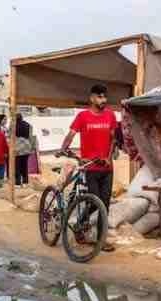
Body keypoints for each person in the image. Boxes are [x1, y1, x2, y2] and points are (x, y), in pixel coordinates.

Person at [60, 84, 120, 252]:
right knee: (95, 201)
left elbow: (114, 140)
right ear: (92, 98)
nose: (103, 100)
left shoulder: (110, 116)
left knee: (105, 205)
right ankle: (80, 225)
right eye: (100, 97)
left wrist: (108, 158)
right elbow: (71, 134)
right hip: (89, 166)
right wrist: (63, 148)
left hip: (107, 168)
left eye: (104, 97)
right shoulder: (83, 116)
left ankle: (101, 240)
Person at [14, 113, 36, 187]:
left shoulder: (13, 125)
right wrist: (32, 148)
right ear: (22, 118)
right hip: (26, 147)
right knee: (24, 165)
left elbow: (10, 137)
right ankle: (25, 182)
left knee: (17, 165)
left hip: (17, 147)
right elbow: (31, 137)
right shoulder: (29, 125)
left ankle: (17, 182)